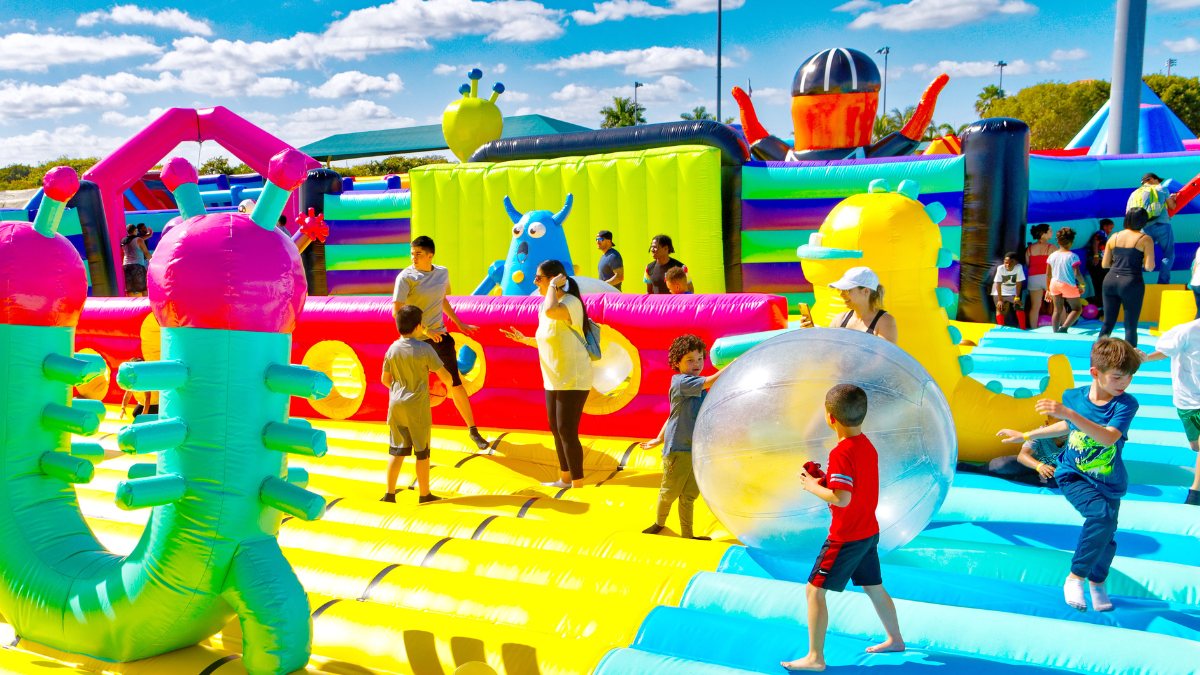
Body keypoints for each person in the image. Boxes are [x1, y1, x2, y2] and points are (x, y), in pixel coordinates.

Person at [997, 337, 1141, 612]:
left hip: (1109, 480)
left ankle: (1098, 583)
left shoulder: (1125, 405)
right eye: (1118, 377)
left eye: (1129, 378)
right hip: (1073, 473)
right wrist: (1026, 434)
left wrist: (1071, 415)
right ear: (1095, 373)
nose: (1124, 384)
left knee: (1107, 536)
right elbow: (1065, 425)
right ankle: (1075, 577)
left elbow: (1108, 438)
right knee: (1100, 516)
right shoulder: (1074, 397)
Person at [781, 384, 904, 671]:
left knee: (814, 592)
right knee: (874, 587)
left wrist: (813, 486)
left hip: (845, 537)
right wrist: (826, 481)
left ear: (830, 417)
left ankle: (815, 657)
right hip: (867, 532)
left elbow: (842, 498)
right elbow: (853, 489)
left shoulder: (841, 452)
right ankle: (895, 639)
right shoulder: (866, 446)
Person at [501, 260, 593, 489]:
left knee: (566, 429)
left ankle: (578, 483)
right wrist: (525, 340)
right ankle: (565, 478)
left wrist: (552, 286)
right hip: (553, 377)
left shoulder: (570, 303)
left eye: (539, 278)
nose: (535, 282)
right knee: (555, 427)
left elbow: (554, 312)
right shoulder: (544, 306)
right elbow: (550, 338)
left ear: (555, 279)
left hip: (572, 377)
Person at [392, 235, 489, 450]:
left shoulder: (442, 273)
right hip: (414, 342)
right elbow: (397, 312)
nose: (413, 258)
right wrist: (424, 329)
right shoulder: (405, 278)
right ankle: (407, 434)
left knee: (455, 383)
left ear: (430, 255)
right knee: (412, 389)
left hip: (439, 337)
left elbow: (442, 300)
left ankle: (473, 430)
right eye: (412, 254)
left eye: (418, 254)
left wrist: (459, 323)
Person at [639, 334, 724, 540]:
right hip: (678, 449)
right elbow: (711, 381)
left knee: (689, 496)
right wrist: (736, 363)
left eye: (700, 359)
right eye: (690, 360)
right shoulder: (681, 382)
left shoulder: (700, 387)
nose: (696, 364)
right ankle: (659, 523)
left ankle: (687, 534)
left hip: (696, 450)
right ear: (677, 363)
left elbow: (673, 415)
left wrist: (658, 438)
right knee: (669, 492)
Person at [381, 306, 452, 505]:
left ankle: (389, 493)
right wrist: (447, 388)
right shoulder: (424, 349)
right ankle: (424, 494)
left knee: (396, 450)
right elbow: (445, 376)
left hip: (396, 405)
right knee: (422, 452)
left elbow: (385, 379)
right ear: (419, 326)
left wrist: (399, 389)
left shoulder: (392, 348)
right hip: (417, 406)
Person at [1140, 318, 1200, 505]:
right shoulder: (1188, 331)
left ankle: (1195, 493)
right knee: (1195, 446)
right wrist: (1145, 358)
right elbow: (1165, 352)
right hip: (1187, 399)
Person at [1099, 208, 1156, 347]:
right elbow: (1149, 267)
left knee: (1107, 323)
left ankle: (1096, 356)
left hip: (1110, 280)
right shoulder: (1145, 239)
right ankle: (1129, 365)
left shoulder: (1114, 236)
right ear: (1143, 221)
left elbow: (1105, 264)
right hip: (1131, 282)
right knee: (1130, 326)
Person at [798, 267, 898, 344]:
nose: (841, 294)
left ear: (865, 291)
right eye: (841, 290)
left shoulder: (885, 322)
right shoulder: (839, 319)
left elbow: (883, 363)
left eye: (847, 290)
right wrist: (811, 333)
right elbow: (827, 352)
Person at [957, 417, 1062, 488]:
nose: (1062, 430)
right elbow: (1022, 456)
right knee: (1002, 465)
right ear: (1047, 424)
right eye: (1057, 425)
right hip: (1031, 464)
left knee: (1057, 480)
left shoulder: (1074, 434)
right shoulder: (1040, 433)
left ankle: (1014, 478)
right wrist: (1039, 466)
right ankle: (974, 469)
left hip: (1052, 471)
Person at [1127, 173, 1177, 285]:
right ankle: (1163, 282)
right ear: (1151, 179)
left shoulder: (1134, 194)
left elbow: (1128, 213)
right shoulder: (1161, 189)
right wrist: (1173, 198)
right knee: (1169, 254)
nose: (1159, 182)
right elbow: (1172, 206)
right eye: (1157, 180)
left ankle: (1135, 282)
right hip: (1162, 225)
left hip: (1144, 228)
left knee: (1139, 256)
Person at [1046, 227, 1086, 333]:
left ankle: (1055, 332)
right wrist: (1082, 285)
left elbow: (1048, 274)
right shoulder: (1073, 256)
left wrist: (1048, 290)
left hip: (1054, 284)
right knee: (1077, 308)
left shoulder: (1052, 256)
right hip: (1067, 284)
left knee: (1057, 310)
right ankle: (1064, 328)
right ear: (1071, 242)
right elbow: (1077, 273)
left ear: (1058, 241)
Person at [1026, 223, 1054, 329]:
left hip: (1033, 278)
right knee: (1058, 304)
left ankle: (1033, 329)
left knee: (1035, 306)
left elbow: (1028, 264)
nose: (1052, 232)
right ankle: (1063, 327)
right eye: (1050, 231)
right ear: (1043, 234)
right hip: (1047, 277)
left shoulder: (1029, 249)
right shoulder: (1052, 248)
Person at [991, 251, 1026, 328]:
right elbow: (998, 283)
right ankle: (1001, 328)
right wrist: (1000, 299)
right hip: (999, 291)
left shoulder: (1018, 267)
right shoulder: (1000, 268)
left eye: (1011, 262)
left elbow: (1019, 283)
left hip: (1011, 292)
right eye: (1006, 262)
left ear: (1016, 262)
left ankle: (1023, 328)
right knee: (999, 308)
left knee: (1019, 306)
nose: (1008, 265)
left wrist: (1017, 297)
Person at [1086, 219, 1114, 312]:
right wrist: (1096, 255)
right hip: (1097, 262)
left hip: (1100, 262)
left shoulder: (1105, 235)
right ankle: (1100, 303)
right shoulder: (1101, 233)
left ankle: (1101, 302)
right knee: (1100, 282)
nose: (1110, 230)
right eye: (1110, 228)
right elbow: (1095, 241)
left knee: (1100, 282)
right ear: (1104, 226)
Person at [121, 224, 151, 297]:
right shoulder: (139, 240)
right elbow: (146, 252)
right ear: (135, 230)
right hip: (137, 265)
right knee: (144, 288)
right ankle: (145, 305)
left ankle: (129, 305)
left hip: (126, 265)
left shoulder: (123, 241)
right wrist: (152, 260)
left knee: (129, 289)